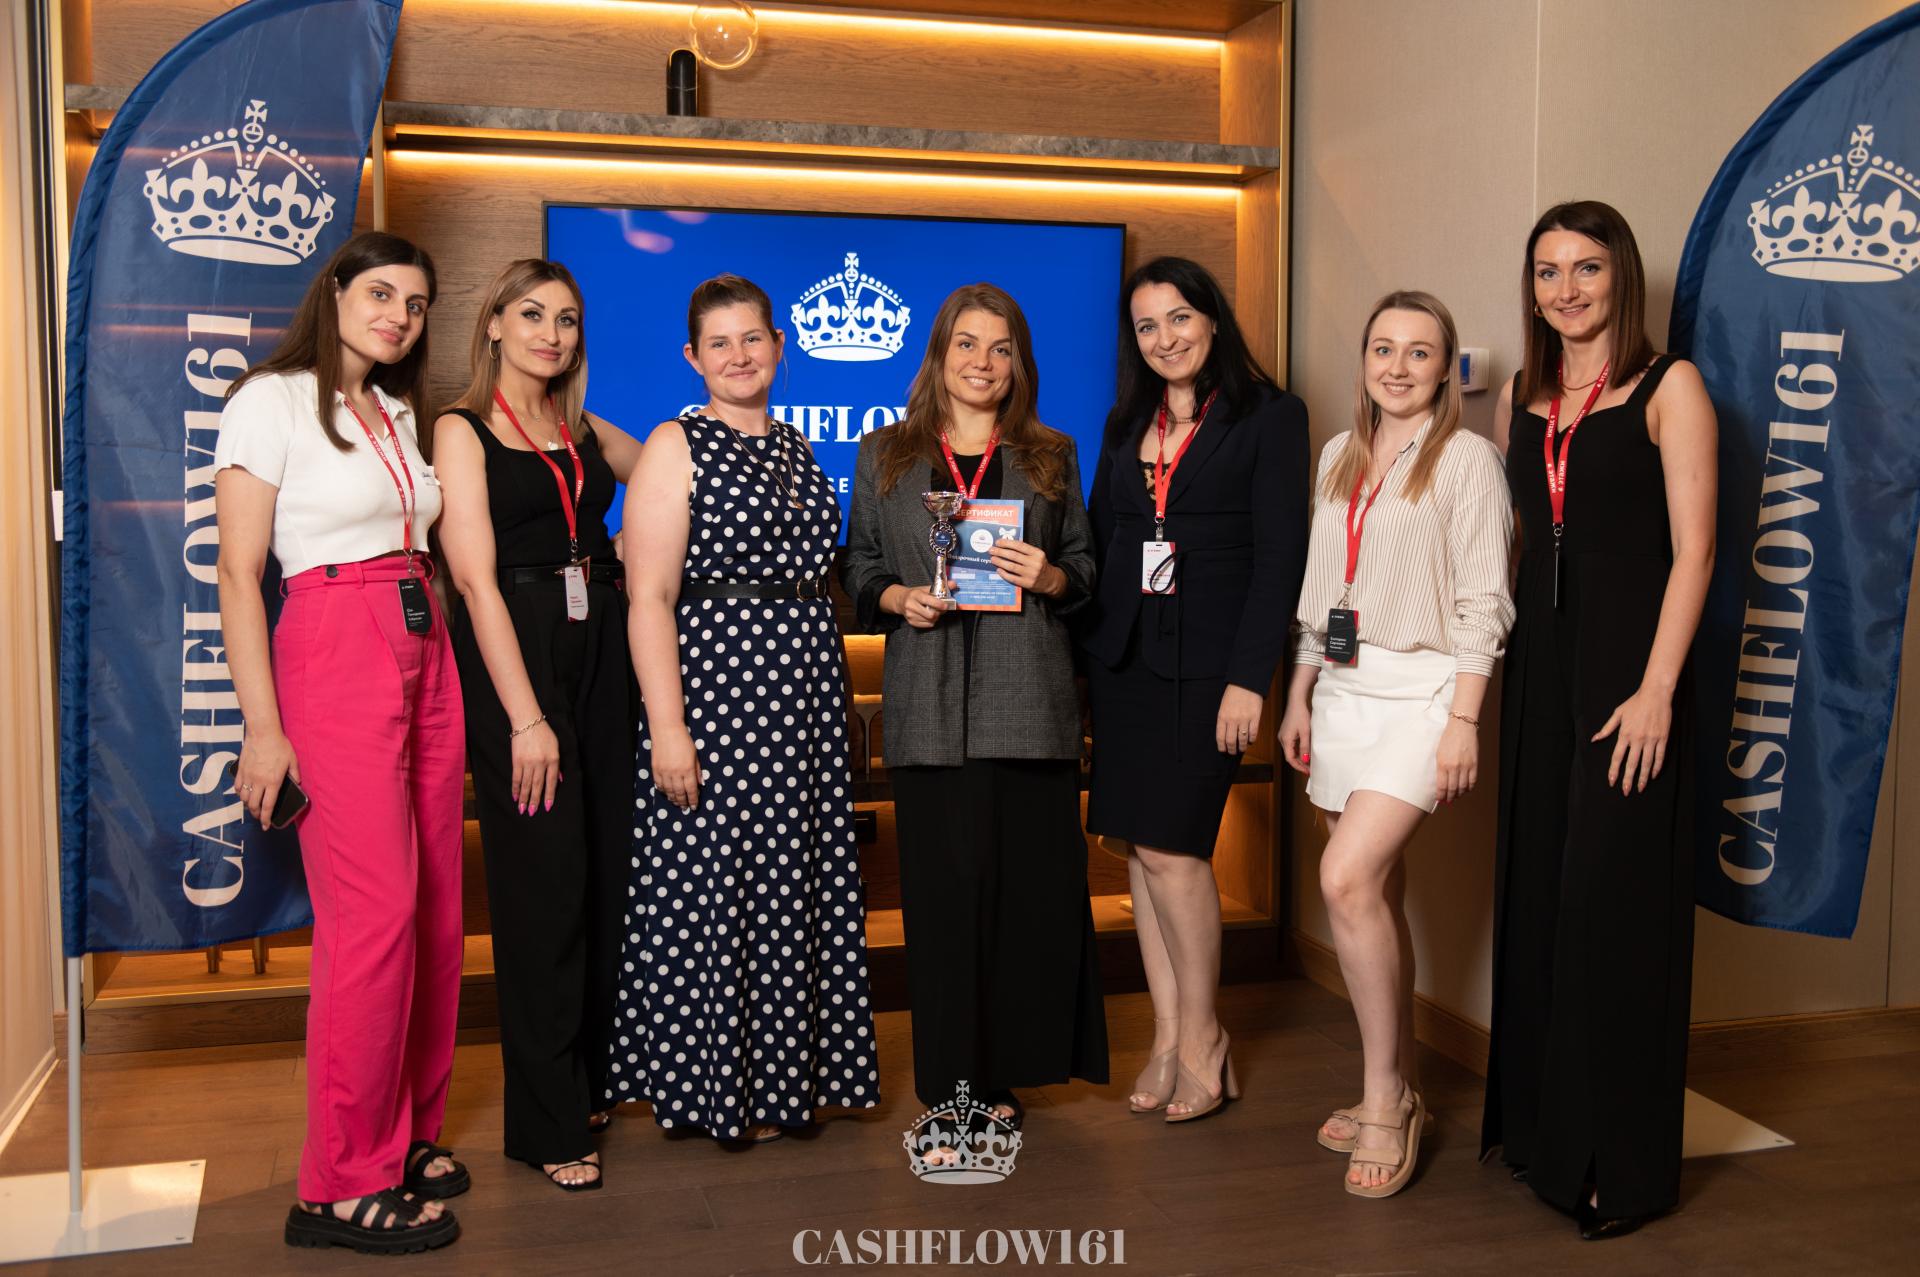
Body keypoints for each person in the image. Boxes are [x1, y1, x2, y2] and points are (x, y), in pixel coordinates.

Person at [214, 231, 464, 1254]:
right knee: (374, 914)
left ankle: (404, 1134)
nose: (398, 316)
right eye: (381, 294)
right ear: (337, 292)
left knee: (437, 903)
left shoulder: (397, 411)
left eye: (415, 302)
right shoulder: (269, 399)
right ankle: (339, 1181)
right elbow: (238, 572)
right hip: (333, 634)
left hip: (422, 630)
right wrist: (262, 726)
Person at [1480, 200, 1717, 1240]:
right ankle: (1541, 1136)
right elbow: (1513, 543)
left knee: (1612, 909)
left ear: (1620, 274)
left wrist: (1659, 688)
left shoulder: (1672, 388)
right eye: (1547, 271)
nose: (1566, 289)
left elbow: (1697, 550)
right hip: (1540, 671)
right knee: (1538, 892)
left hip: (1630, 676)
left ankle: (1615, 1167)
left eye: (1585, 267)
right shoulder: (1523, 400)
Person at [606, 274, 879, 1142]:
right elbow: (649, 597)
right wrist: (668, 729)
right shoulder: (674, 443)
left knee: (793, 884)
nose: (738, 355)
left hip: (802, 695)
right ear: (693, 357)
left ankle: (788, 1081)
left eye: (752, 338)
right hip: (719, 698)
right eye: (718, 343)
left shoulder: (795, 444)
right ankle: (721, 1090)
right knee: (718, 894)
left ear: (778, 346)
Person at [842, 283, 1108, 1132]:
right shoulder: (884, 454)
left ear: (1019, 362)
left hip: (1029, 703)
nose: (983, 362)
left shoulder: (1051, 454)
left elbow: (1086, 570)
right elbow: (859, 566)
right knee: (943, 905)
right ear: (939, 354)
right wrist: (897, 599)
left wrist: (1051, 575)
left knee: (1027, 902)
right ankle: (952, 1084)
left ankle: (1009, 1072)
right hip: (926, 706)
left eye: (1000, 347)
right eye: (967, 343)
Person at [1278, 291, 1514, 1198]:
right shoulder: (1339, 453)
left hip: (1425, 691)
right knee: (1373, 889)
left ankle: (1385, 1098)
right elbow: (1319, 591)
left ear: (1446, 367)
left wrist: (1464, 719)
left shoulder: (1467, 459)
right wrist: (1299, 695)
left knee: (1343, 878)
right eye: (1384, 348)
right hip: (1342, 689)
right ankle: (1402, 1084)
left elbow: (1484, 600)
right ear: (1365, 360)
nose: (1399, 366)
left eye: (1420, 351)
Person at [1081, 256, 1310, 1123]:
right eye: (1147, 325)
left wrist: (1252, 678)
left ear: (1213, 318)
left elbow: (1281, 556)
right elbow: (1104, 540)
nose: (1165, 338)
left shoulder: (1271, 416)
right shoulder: (1124, 421)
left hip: (1213, 670)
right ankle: (1169, 1033)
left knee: (1176, 847)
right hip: (1126, 662)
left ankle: (1206, 1035)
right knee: (1138, 849)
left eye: (1179, 317)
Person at [434, 259, 643, 1192]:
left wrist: (637, 547)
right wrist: (525, 718)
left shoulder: (579, 425)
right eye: (531, 315)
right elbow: (472, 581)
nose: (550, 334)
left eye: (566, 319)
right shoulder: (462, 427)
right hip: (517, 655)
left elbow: (665, 467)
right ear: (493, 324)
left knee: (604, 878)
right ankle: (546, 1120)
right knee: (543, 890)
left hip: (601, 646)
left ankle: (585, 1084)